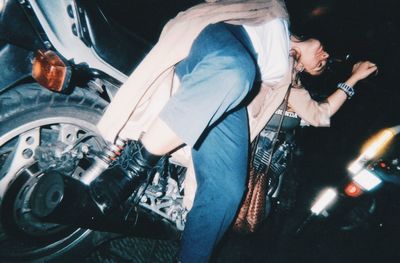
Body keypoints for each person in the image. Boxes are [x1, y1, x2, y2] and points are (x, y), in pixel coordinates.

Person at [88, 0, 378, 262]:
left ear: (305, 71)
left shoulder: (288, 80)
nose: (324, 56)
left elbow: (320, 113)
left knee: (227, 189)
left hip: (229, 95)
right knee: (237, 70)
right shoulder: (274, 11)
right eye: (324, 53)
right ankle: (130, 168)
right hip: (218, 41)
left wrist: (354, 78)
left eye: (322, 65)